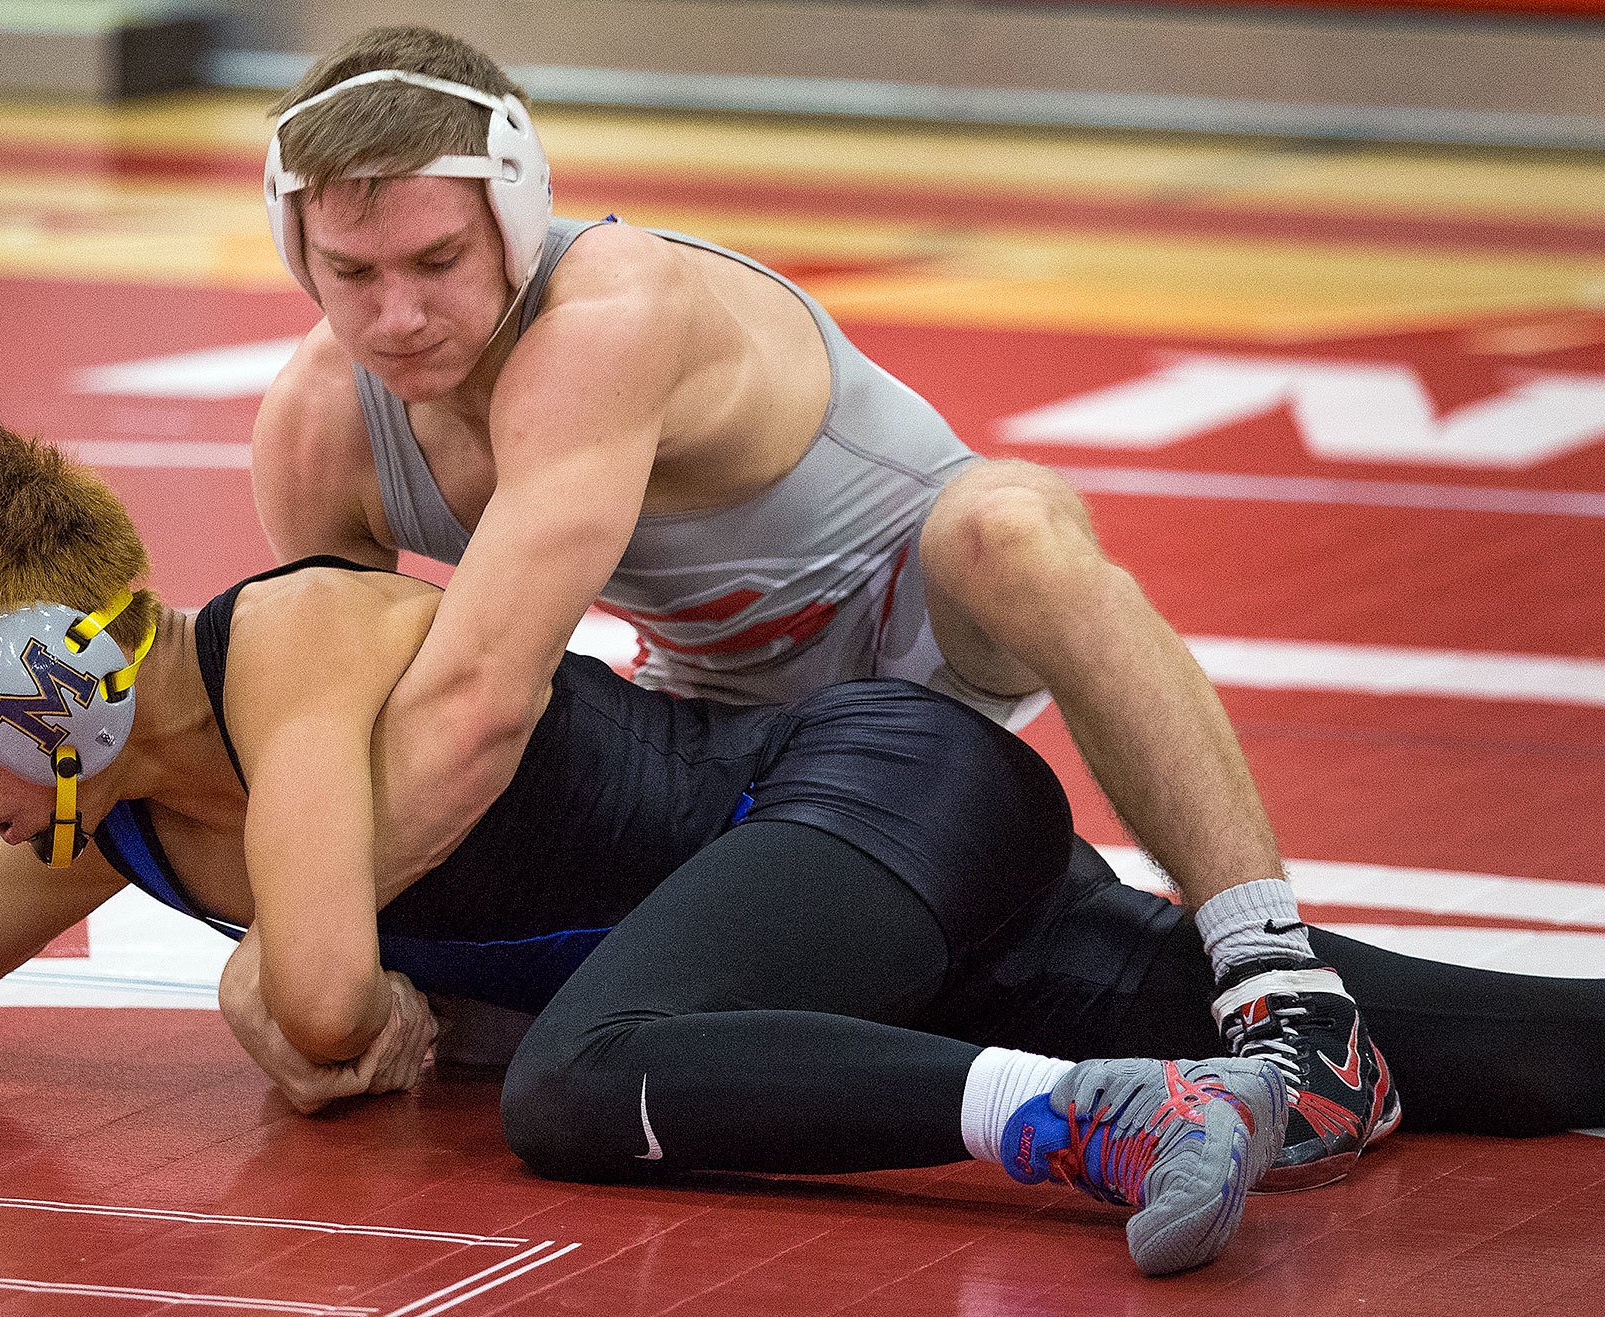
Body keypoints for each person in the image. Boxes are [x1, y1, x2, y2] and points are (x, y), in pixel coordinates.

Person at [0, 432, 1605, 1277]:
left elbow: (316, 995)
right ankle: (1191, 1073)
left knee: (580, 1069)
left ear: (42, 685)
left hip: (859, 799)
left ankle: (1092, 1118)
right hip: (859, 926)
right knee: (1477, 1045)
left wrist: (275, 992)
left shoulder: (293, 638)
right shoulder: (129, 803)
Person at [249, 26, 1388, 1190]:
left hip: (924, 621)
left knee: (1008, 529)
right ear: (301, 259)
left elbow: (477, 698)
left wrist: (283, 951)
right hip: (726, 716)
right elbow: (338, 731)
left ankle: (1279, 984)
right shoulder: (314, 427)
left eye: (435, 261)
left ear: (514, 216)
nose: (395, 317)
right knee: (469, 1016)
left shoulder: (605, 315)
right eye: (352, 272)